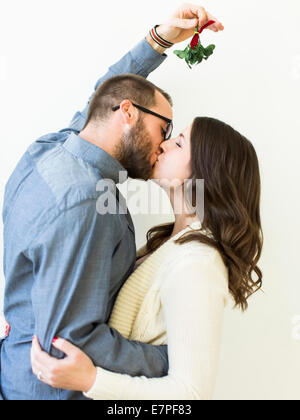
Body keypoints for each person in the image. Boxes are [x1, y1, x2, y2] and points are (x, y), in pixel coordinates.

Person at [0, 3, 224, 401]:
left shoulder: (49, 150)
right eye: (164, 128)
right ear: (127, 114)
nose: (164, 143)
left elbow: (104, 96)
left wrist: (158, 40)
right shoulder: (87, 205)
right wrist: (169, 362)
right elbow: (69, 341)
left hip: (14, 369)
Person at [31, 117, 263, 400]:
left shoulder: (197, 264)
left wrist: (91, 379)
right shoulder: (167, 243)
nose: (162, 145)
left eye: (179, 143)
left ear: (206, 172)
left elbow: (191, 393)